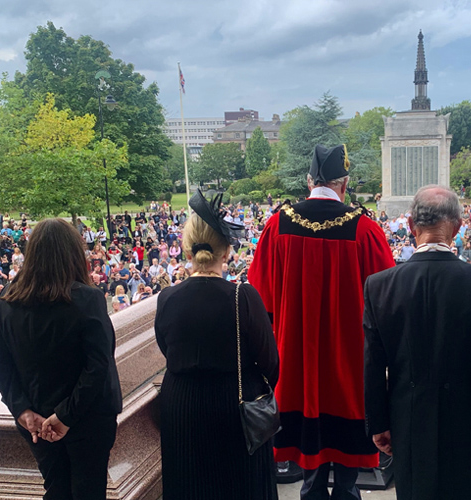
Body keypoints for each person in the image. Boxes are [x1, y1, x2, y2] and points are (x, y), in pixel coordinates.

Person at [249, 144, 395, 500]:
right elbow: (388, 303)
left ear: (309, 181)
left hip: (295, 364)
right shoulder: (365, 230)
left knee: (310, 476)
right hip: (349, 365)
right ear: (343, 184)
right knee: (346, 474)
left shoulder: (277, 226)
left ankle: (311, 488)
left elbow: (260, 299)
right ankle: (345, 490)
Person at [362, 186, 471, 500]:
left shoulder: (380, 286)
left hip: (407, 417)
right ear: (457, 227)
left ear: (411, 225)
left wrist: (378, 423)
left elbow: (373, 365)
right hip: (464, 418)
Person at [155, 190, 279, 500]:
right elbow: (270, 363)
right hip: (235, 408)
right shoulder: (243, 297)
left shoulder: (167, 298)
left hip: (182, 407)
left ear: (187, 251)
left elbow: (167, 349)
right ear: (226, 252)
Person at [0, 218, 122, 500]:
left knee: (56, 487)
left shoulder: (7, 300)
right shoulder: (87, 299)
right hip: (87, 417)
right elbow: (98, 365)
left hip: (35, 417)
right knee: (89, 491)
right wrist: (65, 415)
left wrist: (22, 409)